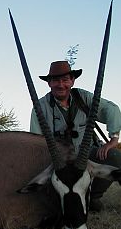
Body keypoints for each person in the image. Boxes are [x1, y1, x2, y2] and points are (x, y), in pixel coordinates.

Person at [30, 61, 121, 211]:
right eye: (55, 80)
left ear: (72, 81)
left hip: (87, 158)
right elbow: (36, 142)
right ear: (49, 83)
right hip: (60, 163)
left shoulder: (83, 97)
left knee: (114, 156)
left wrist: (113, 139)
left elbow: (112, 110)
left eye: (65, 80)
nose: (61, 85)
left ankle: (93, 197)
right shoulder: (40, 107)